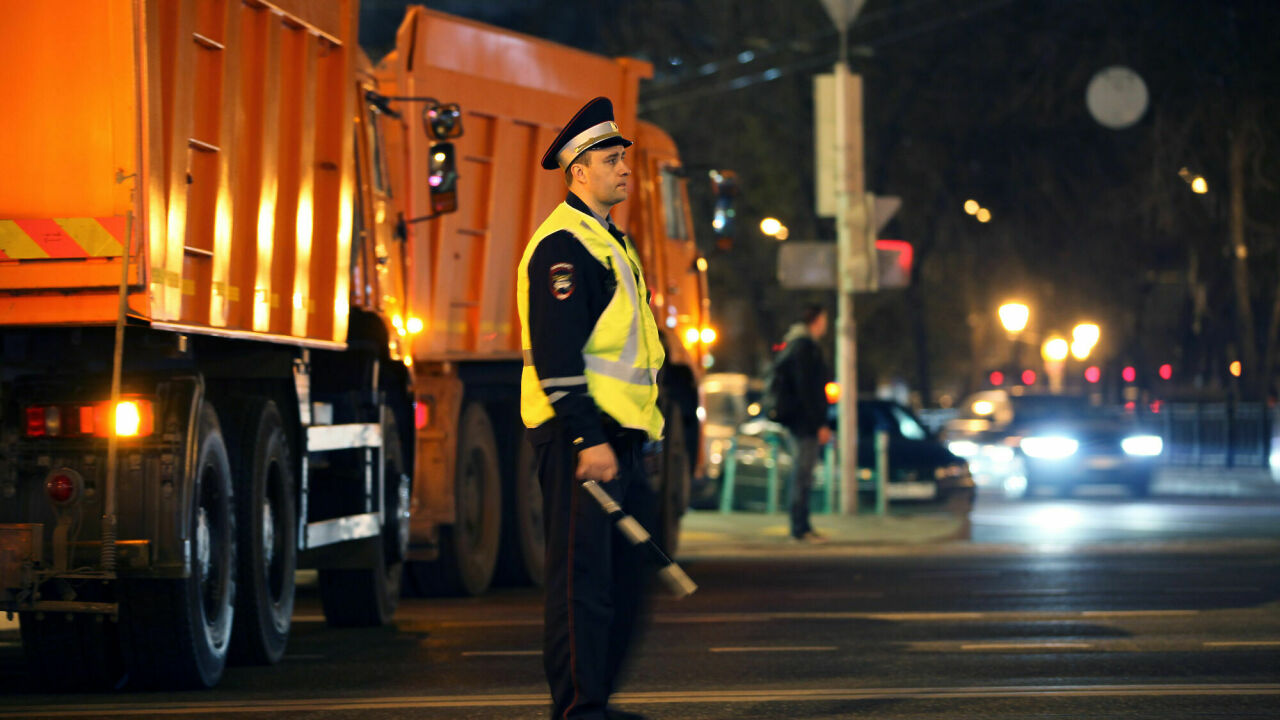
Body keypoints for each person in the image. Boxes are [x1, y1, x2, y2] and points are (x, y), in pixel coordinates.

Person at [516, 96, 665, 720]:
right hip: (585, 439)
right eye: (612, 158)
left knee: (627, 578)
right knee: (581, 583)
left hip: (621, 438)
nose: (625, 168)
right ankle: (580, 708)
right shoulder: (564, 247)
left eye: (624, 157)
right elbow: (556, 357)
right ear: (579, 170)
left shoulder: (611, 242)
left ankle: (596, 698)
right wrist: (586, 440)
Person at [766, 305, 833, 542]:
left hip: (800, 420)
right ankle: (800, 527)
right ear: (816, 320)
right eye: (824, 319)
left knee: (803, 473)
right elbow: (809, 389)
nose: (826, 324)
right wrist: (820, 423)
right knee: (802, 473)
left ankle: (802, 525)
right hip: (805, 422)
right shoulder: (805, 347)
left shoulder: (796, 344)